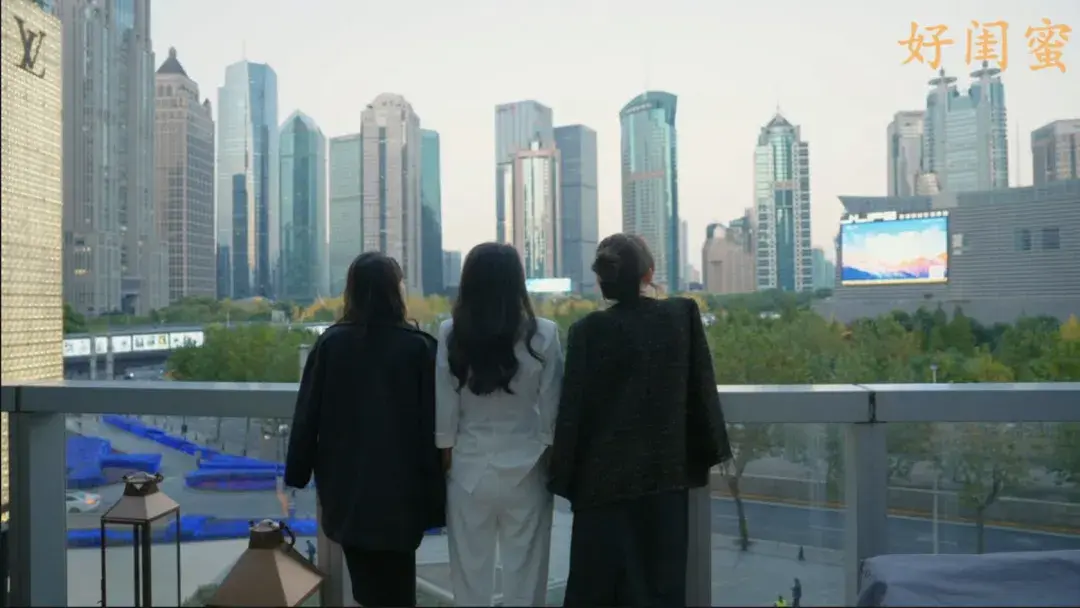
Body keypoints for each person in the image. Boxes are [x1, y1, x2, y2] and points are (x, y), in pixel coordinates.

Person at [549, 233, 733, 607]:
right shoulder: (681, 316)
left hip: (600, 491)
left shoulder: (586, 331)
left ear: (602, 281)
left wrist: (563, 479)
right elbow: (701, 389)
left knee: (597, 594)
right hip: (664, 484)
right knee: (661, 592)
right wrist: (704, 456)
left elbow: (572, 413)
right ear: (648, 274)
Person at [284, 252, 445, 608]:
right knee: (399, 586)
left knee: (366, 586)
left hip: (348, 489)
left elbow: (307, 415)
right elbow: (436, 425)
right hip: (404, 493)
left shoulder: (331, 345)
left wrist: (296, 473)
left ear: (352, 291)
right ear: (395, 292)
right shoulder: (419, 348)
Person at [435, 242, 564, 606]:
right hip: (527, 467)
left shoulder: (450, 333)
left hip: (467, 469)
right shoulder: (545, 334)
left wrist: (447, 458)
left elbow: (445, 411)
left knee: (469, 580)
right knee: (526, 580)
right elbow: (552, 412)